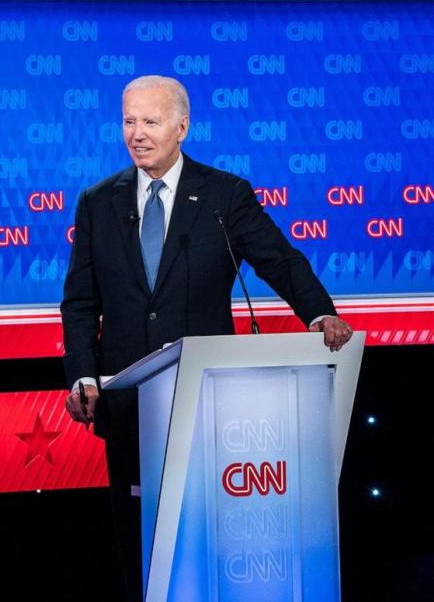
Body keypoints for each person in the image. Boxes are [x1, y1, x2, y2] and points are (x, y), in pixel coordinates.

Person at [60, 75, 353, 602]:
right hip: (131, 408)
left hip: (211, 406)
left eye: (150, 122)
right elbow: (80, 302)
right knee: (138, 544)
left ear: (182, 127)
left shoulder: (223, 197)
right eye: (129, 121)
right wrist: (84, 375)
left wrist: (318, 314)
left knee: (207, 538)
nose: (137, 134)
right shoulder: (98, 202)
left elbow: (279, 261)